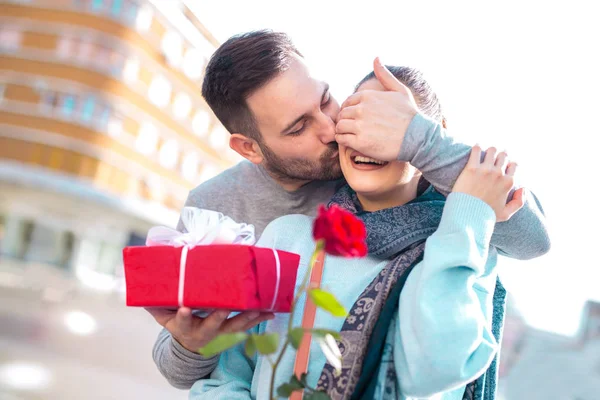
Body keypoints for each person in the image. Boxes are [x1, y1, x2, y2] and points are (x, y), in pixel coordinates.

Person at [147, 30, 550, 391]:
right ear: (249, 147)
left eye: (326, 100)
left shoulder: (429, 199)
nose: (331, 129)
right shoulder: (219, 210)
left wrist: (425, 143)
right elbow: (204, 371)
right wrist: (191, 344)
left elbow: (527, 234)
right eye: (298, 127)